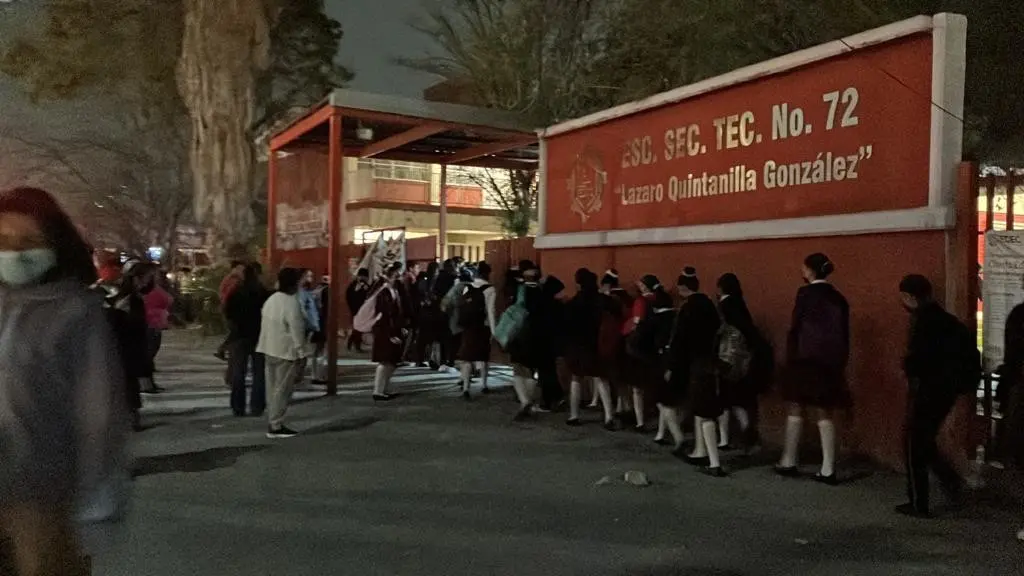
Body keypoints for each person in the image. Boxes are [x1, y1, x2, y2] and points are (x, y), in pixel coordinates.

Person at [0, 187, 129, 576]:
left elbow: (100, 412)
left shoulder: (76, 312)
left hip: (42, 493)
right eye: (4, 241)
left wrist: (98, 499)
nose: (15, 253)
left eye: (29, 241)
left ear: (54, 244)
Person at [897, 274, 968, 517]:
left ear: (909, 297)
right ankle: (949, 481)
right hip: (946, 390)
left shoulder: (923, 323)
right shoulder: (948, 321)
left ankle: (919, 501)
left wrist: (908, 367)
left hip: (926, 389)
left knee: (914, 444)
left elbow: (918, 361)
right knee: (925, 441)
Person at [776, 253, 850, 485]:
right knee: (824, 412)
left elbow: (796, 328)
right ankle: (828, 467)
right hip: (829, 363)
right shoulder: (839, 298)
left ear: (810, 270)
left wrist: (790, 357)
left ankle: (789, 460)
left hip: (803, 360)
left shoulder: (804, 294)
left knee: (795, 409)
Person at [666, 268, 725, 476]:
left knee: (702, 411)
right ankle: (701, 451)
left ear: (683, 287)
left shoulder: (687, 309)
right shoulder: (710, 306)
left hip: (695, 364)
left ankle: (712, 461)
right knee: (703, 410)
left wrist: (672, 367)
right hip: (712, 361)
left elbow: (679, 341)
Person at [256, 268, 310, 438]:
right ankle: (276, 424)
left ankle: (272, 420)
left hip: (268, 347)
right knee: (283, 390)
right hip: (286, 351)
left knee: (272, 388)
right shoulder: (291, 302)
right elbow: (297, 329)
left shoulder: (271, 299)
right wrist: (302, 352)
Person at [564, 268, 618, 429]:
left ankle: (574, 415)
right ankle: (609, 416)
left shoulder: (574, 302)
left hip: (577, 344)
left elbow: (567, 323)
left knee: (576, 379)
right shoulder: (601, 299)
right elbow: (615, 310)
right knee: (602, 379)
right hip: (597, 343)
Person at [715, 273, 764, 452]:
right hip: (744, 359)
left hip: (726, 358)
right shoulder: (741, 305)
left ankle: (724, 439)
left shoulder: (723, 306)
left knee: (724, 400)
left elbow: (718, 331)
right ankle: (747, 431)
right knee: (739, 399)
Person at [225, 264, 269, 417]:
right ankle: (257, 406)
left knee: (238, 373)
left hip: (239, 337)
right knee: (259, 373)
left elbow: (228, 314)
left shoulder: (236, 293)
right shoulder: (262, 293)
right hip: (259, 336)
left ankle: (238, 406)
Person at [505, 266, 544, 420]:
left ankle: (524, 401)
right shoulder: (542, 293)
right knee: (531, 369)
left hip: (519, 334)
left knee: (517, 369)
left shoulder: (518, 292)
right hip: (536, 335)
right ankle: (530, 401)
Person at [456, 261, 498, 399]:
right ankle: (484, 385)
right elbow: (490, 312)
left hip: (468, 327)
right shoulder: (490, 289)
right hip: (482, 327)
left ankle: (466, 388)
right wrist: (494, 331)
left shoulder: (467, 287)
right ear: (488, 273)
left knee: (467, 358)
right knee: (483, 357)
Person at [372, 262, 407, 401]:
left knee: (391, 362)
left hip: (391, 329)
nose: (400, 279)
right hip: (384, 331)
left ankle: (383, 389)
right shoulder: (383, 292)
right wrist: (391, 334)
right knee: (385, 361)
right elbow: (385, 315)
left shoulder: (394, 291)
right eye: (397, 276)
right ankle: (378, 391)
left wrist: (401, 327)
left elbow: (397, 313)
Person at [535, 274, 567, 411]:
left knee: (545, 371)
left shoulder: (541, 304)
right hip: (552, 342)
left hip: (542, 341)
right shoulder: (558, 306)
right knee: (549, 370)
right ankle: (555, 397)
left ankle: (549, 400)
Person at [143, 266, 174, 382]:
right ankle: (147, 379)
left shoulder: (156, 289)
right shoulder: (152, 290)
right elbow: (168, 300)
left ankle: (148, 376)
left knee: (152, 347)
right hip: (152, 321)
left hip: (155, 321)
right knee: (151, 347)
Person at [215, 260, 246, 360]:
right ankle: (223, 349)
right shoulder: (234, 280)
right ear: (234, 269)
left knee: (234, 331)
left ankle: (224, 349)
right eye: (239, 269)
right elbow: (228, 294)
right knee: (235, 331)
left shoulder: (229, 279)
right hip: (229, 308)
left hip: (227, 307)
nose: (241, 271)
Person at [295, 269, 321, 387]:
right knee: (300, 352)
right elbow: (308, 311)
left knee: (301, 352)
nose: (310, 279)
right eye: (307, 276)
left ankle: (297, 376)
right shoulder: (301, 293)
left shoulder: (305, 292)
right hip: (301, 326)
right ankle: (297, 376)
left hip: (303, 326)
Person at [414, 261, 443, 368]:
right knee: (432, 338)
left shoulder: (423, 281)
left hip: (424, 313)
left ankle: (420, 359)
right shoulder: (435, 282)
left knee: (422, 338)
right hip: (432, 313)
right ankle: (432, 359)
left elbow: (418, 296)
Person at [346, 268, 370, 352]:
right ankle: (356, 345)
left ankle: (352, 342)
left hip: (362, 309)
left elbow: (368, 295)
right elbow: (349, 296)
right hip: (356, 309)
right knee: (358, 328)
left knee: (358, 328)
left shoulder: (365, 285)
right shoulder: (354, 284)